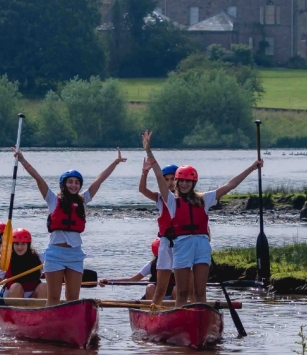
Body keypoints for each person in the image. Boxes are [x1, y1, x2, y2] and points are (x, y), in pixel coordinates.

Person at [142, 130, 263, 305]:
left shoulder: (204, 199)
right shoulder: (171, 201)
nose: (184, 184)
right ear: (177, 183)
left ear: (193, 183)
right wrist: (149, 152)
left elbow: (230, 185)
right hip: (181, 245)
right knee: (182, 293)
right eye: (181, 181)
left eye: (188, 182)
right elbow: (160, 176)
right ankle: (181, 320)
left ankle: (200, 322)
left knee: (200, 292)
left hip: (202, 245)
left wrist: (252, 167)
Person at [16, 147, 127, 306]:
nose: (74, 185)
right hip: (55, 254)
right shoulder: (53, 200)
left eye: (77, 182)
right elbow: (39, 179)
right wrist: (23, 160)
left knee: (72, 299)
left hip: (75, 255)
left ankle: (69, 325)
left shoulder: (82, 201)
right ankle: (50, 324)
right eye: (70, 182)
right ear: (63, 184)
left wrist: (115, 163)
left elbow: (99, 181)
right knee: (53, 298)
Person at [139, 160, 178, 306]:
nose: (170, 183)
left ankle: (182, 306)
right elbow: (142, 189)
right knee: (158, 283)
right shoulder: (160, 198)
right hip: (167, 242)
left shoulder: (187, 198)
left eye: (173, 179)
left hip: (182, 242)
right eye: (166, 180)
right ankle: (156, 309)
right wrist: (145, 172)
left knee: (181, 283)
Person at [99, 238, 174, 302]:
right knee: (150, 287)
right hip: (154, 299)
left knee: (176, 289)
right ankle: (153, 312)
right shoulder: (151, 265)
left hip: (173, 297)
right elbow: (133, 280)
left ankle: (178, 308)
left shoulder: (177, 264)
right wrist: (109, 281)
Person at [0, 228, 46, 299]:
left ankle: (41, 309)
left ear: (28, 244)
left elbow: (50, 271)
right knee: (16, 286)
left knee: (44, 286)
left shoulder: (38, 257)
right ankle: (15, 308)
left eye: (23, 244)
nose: (19, 247)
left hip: (32, 296)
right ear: (12, 244)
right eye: (17, 244)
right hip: (13, 294)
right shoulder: (7, 259)